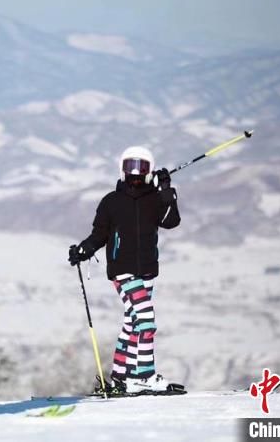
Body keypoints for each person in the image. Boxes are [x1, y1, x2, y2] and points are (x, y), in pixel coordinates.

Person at [68, 146, 181, 395]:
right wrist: (83, 250)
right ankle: (144, 376)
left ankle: (120, 377)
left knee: (132, 323)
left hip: (148, 271)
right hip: (123, 271)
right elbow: (99, 235)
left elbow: (171, 221)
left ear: (150, 171)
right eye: (131, 167)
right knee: (146, 322)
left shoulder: (155, 198)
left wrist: (166, 192)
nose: (135, 174)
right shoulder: (111, 201)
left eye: (141, 168)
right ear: (122, 170)